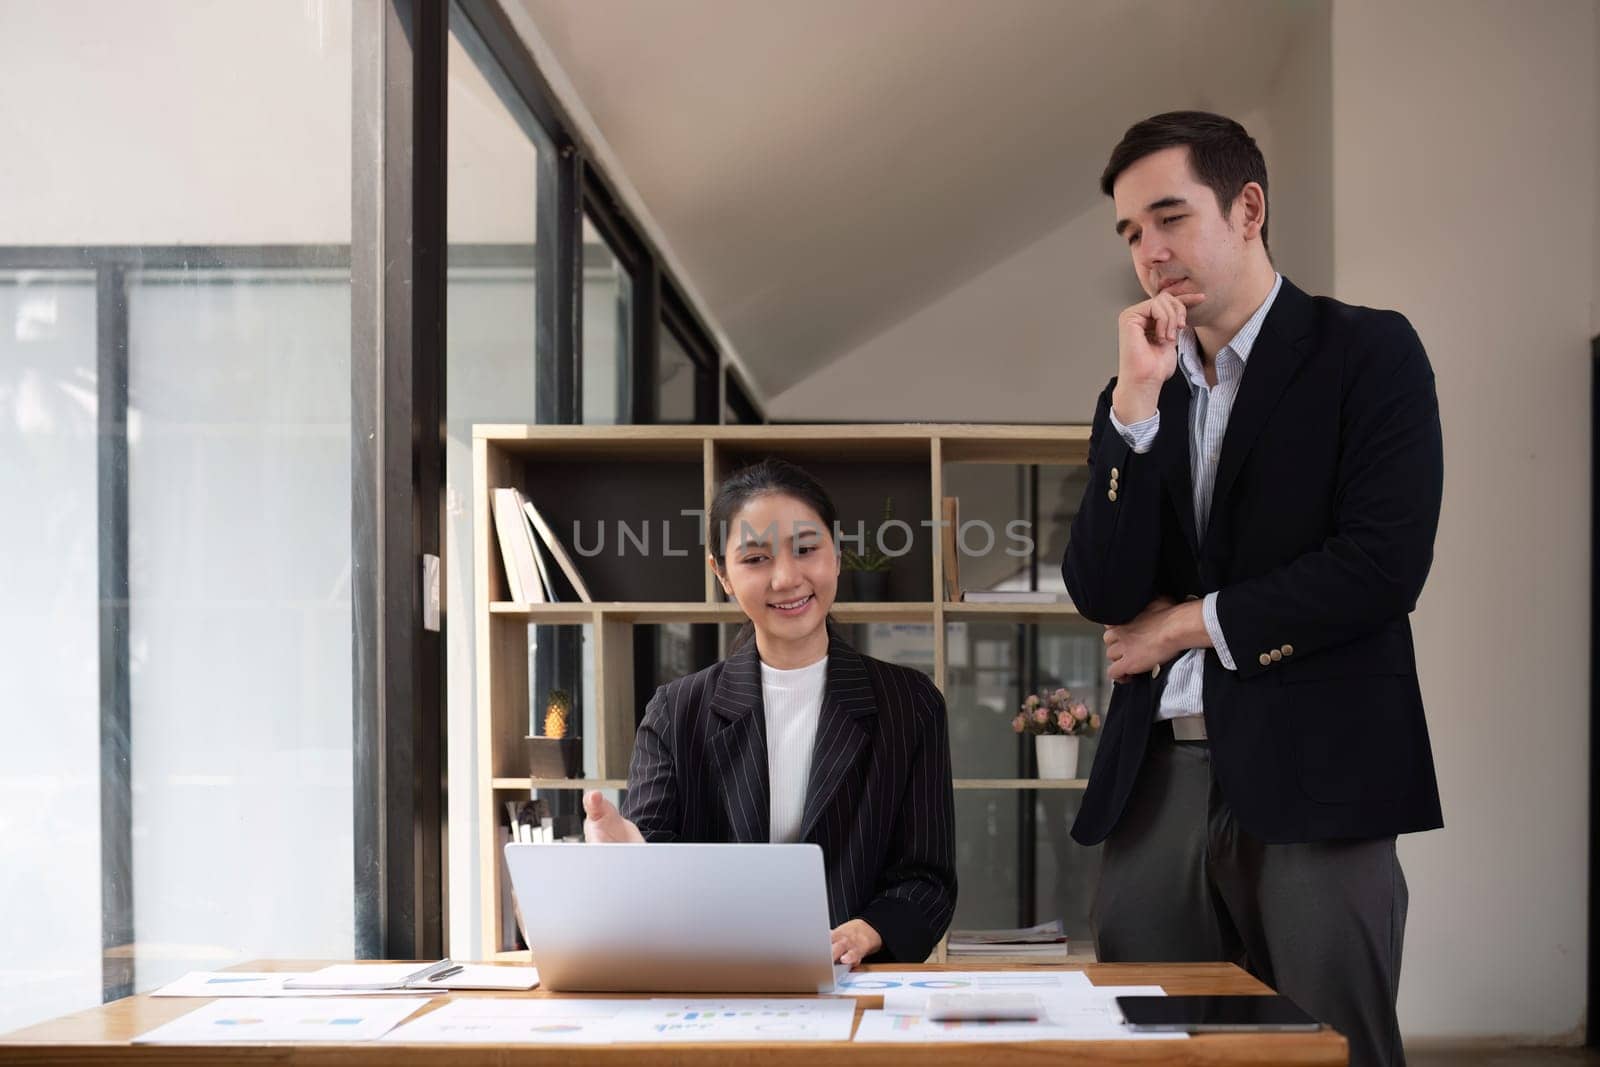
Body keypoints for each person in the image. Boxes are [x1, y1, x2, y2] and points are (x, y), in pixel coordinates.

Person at [1063, 111, 1443, 1067]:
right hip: (1158, 781)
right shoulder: (1138, 394)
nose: (1149, 254)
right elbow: (1102, 586)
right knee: (1155, 1049)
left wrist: (1186, 624)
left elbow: (1381, 565)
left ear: (1248, 208)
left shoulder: (1369, 353)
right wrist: (1133, 411)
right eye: (1129, 235)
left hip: (1320, 772)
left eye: (1169, 218)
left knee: (1334, 1048)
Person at [583, 457, 957, 966]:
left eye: (806, 549)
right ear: (723, 575)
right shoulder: (677, 712)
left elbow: (928, 880)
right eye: (755, 559)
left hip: (859, 985)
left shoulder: (910, 703)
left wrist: (869, 930)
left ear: (838, 554)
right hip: (717, 981)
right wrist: (632, 854)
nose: (786, 577)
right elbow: (656, 865)